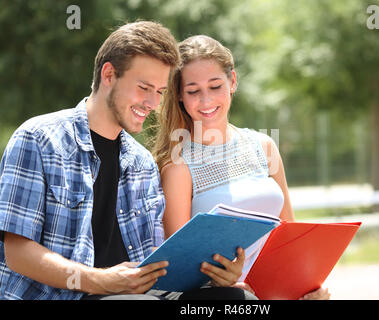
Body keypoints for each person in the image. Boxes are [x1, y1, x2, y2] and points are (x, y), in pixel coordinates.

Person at [0, 21, 252, 300]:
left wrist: (215, 277)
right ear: (109, 74)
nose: (153, 103)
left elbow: (158, 265)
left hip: (138, 294)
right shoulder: (39, 139)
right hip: (63, 296)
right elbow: (17, 253)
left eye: (160, 92)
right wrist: (102, 281)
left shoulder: (142, 163)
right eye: (144, 87)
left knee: (236, 299)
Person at [152, 35, 330, 300]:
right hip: (218, 297)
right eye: (193, 91)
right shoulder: (178, 165)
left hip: (272, 290)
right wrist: (222, 284)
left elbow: (291, 236)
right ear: (179, 94)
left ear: (232, 81)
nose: (206, 100)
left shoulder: (264, 146)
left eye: (215, 86)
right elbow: (180, 268)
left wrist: (307, 288)